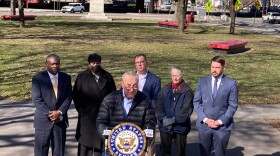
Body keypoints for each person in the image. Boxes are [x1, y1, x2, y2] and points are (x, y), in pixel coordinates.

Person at [96, 71, 156, 155]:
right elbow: (101, 122)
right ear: (122, 84)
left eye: (135, 85)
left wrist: (143, 143)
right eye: (128, 85)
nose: (131, 89)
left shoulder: (145, 100)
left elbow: (150, 122)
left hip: (136, 150)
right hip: (112, 149)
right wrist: (108, 138)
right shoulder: (110, 99)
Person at [193, 56, 238, 156]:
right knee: (204, 153)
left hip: (222, 127)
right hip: (204, 125)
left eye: (217, 67)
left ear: (223, 68)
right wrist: (205, 119)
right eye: (212, 67)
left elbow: (233, 106)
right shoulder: (202, 81)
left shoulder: (231, 83)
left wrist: (219, 121)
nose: (214, 70)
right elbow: (196, 102)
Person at [73, 53, 116, 156]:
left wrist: (108, 112)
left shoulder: (107, 76)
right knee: (85, 146)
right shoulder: (82, 77)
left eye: (98, 63)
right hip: (87, 117)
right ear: (89, 64)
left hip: (102, 116)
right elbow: (76, 95)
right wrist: (82, 111)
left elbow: (113, 95)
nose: (95, 65)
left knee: (99, 146)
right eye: (93, 63)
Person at [32, 54, 72, 156]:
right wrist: (51, 114)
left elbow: (68, 97)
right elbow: (37, 99)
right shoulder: (38, 78)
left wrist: (59, 112)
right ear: (46, 64)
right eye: (52, 64)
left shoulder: (66, 78)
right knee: (40, 151)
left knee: (59, 152)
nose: (55, 66)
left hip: (60, 121)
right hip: (43, 121)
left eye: (57, 64)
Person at [156, 66, 194, 156]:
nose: (175, 78)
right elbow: (159, 107)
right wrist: (164, 120)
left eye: (177, 75)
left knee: (180, 152)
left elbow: (186, 110)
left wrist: (173, 120)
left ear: (182, 76)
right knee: (164, 152)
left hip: (180, 127)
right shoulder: (164, 89)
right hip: (165, 127)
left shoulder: (187, 91)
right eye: (173, 75)